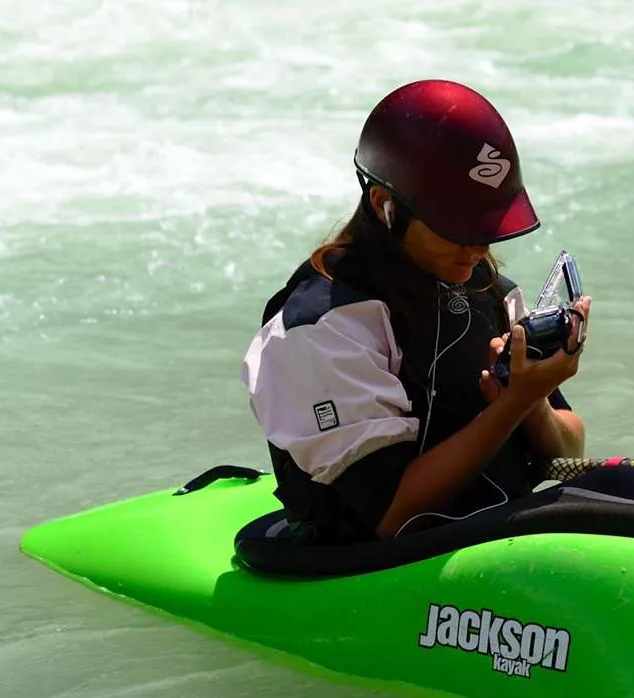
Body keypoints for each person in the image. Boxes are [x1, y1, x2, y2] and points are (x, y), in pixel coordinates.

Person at [241, 79, 592, 544]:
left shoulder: (488, 289)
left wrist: (531, 398)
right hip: (381, 559)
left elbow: (570, 449)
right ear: (386, 207)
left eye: (487, 226)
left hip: (499, 528)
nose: (479, 246)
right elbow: (391, 515)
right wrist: (509, 405)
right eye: (459, 226)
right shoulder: (322, 328)